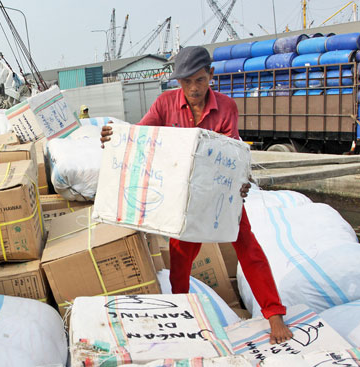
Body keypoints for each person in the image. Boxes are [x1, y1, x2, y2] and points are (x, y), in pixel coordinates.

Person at [100, 46, 293, 344]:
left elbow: (233, 152)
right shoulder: (165, 104)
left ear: (211, 76)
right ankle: (181, 309)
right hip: (182, 199)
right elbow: (140, 138)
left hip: (220, 195)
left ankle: (274, 314)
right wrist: (114, 137)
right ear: (178, 81)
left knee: (248, 247)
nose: (193, 87)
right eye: (186, 81)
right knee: (180, 257)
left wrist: (241, 180)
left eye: (200, 80)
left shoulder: (227, 107)